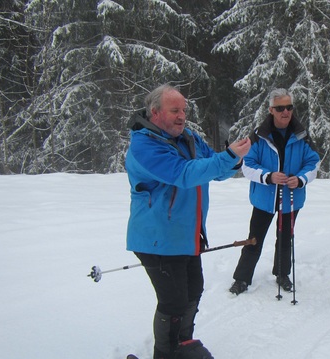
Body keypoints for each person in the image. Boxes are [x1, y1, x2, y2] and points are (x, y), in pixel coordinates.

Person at [125, 84, 251, 359]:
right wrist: (228, 157)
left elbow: (214, 170)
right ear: (155, 112)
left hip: (187, 234)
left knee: (193, 291)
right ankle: (165, 353)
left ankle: (183, 344)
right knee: (173, 301)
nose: (182, 116)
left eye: (184, 110)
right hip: (157, 238)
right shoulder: (144, 145)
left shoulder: (188, 137)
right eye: (175, 110)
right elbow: (183, 173)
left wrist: (234, 160)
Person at [229, 88, 320, 295]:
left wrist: (301, 179)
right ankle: (242, 278)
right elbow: (247, 165)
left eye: (289, 107)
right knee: (254, 238)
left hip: (291, 197)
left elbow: (313, 164)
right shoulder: (259, 136)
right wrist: (268, 176)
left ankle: (282, 274)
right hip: (264, 198)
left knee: (285, 238)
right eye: (280, 108)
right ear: (271, 110)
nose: (285, 112)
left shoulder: (302, 135)